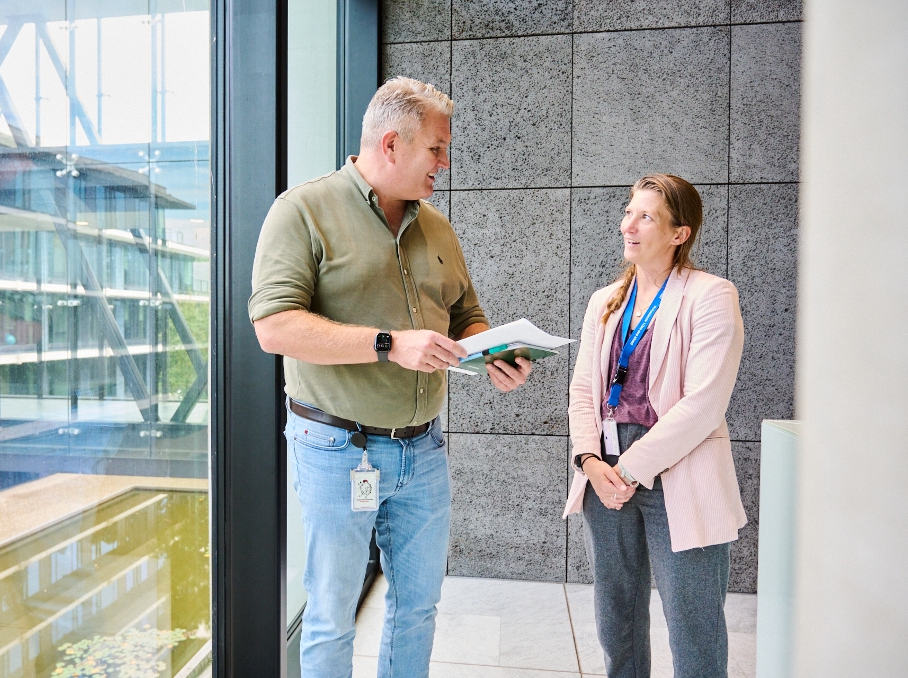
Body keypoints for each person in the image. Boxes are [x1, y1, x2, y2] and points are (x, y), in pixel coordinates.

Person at [249, 77, 532, 678]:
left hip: (422, 450)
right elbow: (274, 327)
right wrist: (388, 345)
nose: (445, 162)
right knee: (330, 614)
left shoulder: (439, 228)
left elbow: (464, 314)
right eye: (436, 148)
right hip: (334, 447)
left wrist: (496, 353)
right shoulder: (301, 210)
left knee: (419, 607)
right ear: (391, 143)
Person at [564, 174, 746, 678]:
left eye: (645, 216)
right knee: (615, 613)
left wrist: (631, 468)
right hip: (604, 464)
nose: (629, 225)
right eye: (628, 212)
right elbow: (584, 390)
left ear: (679, 233)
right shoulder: (604, 301)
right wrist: (591, 460)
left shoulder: (711, 295)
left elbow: (704, 403)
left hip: (676, 464)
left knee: (693, 620)